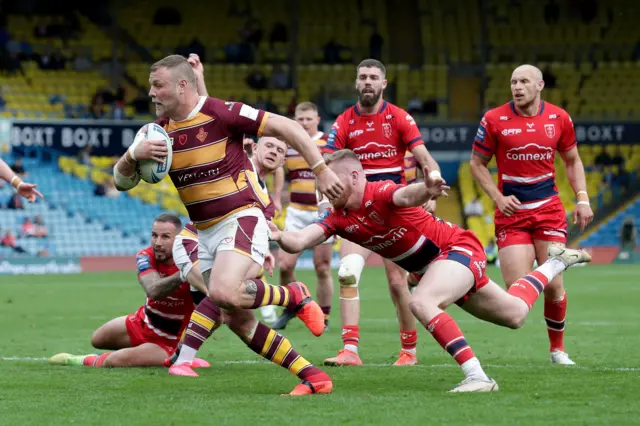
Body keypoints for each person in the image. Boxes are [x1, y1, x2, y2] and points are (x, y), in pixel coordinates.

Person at [111, 53, 341, 395]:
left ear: (182, 85)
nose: (151, 93)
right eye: (150, 86)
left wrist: (321, 170)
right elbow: (121, 182)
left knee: (221, 292)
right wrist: (133, 155)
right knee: (236, 318)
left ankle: (290, 294)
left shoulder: (221, 112)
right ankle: (313, 376)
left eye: (157, 85)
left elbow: (288, 127)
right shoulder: (159, 136)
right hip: (204, 233)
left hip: (240, 219)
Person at [269, 149, 592, 392]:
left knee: (421, 301)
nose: (325, 188)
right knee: (515, 315)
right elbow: (299, 241)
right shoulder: (338, 218)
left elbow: (406, 194)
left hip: (458, 250)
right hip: (439, 267)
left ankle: (477, 377)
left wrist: (427, 188)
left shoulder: (378, 192)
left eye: (331, 180)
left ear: (353, 177)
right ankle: (555, 262)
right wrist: (279, 234)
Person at [321, 58, 443, 366]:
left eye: (373, 77)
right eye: (362, 77)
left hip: (392, 211)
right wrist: (325, 197)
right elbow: (324, 166)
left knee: (396, 282)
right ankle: (350, 350)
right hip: (356, 211)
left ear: (383, 84)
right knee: (347, 274)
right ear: (356, 82)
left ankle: (409, 351)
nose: (367, 82)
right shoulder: (344, 122)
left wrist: (432, 185)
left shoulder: (399, 118)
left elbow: (425, 158)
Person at [469, 64, 594, 365]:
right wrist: (498, 198)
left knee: (553, 285)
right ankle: (567, 258)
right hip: (512, 214)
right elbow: (477, 163)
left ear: (540, 86)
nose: (517, 86)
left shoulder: (559, 118)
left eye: (524, 81)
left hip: (548, 210)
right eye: (513, 81)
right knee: (517, 293)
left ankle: (557, 350)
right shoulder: (494, 119)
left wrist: (583, 199)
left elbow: (573, 160)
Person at [166, 136, 287, 376]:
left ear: (283, 160)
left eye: (280, 150)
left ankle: (178, 356)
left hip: (222, 251)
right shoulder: (239, 164)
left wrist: (263, 253)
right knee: (220, 293)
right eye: (269, 146)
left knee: (223, 312)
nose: (274, 152)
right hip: (194, 240)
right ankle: (182, 362)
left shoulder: (269, 204)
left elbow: (254, 232)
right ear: (255, 147)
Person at [48, 214, 209, 368]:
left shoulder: (194, 263)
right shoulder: (146, 256)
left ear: (178, 240)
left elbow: (213, 307)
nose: (157, 242)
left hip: (169, 341)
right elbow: (153, 290)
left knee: (113, 361)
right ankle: (140, 353)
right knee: (97, 339)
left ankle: (82, 360)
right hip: (142, 322)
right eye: (154, 235)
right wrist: (184, 273)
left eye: (165, 237)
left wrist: (187, 344)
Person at [270, 102, 335, 331]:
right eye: (300, 119)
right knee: (285, 265)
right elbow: (279, 170)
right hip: (296, 212)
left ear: (317, 119)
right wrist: (278, 196)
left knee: (323, 267)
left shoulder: (329, 143)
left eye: (309, 119)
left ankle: (324, 318)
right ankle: (291, 307)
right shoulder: (289, 145)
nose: (305, 123)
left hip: (323, 213)